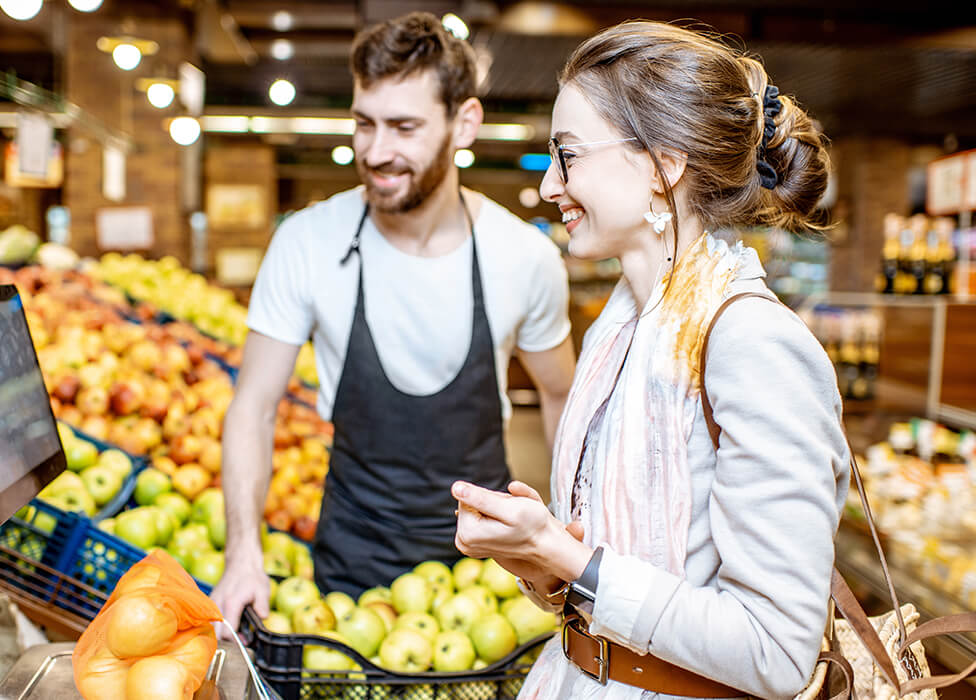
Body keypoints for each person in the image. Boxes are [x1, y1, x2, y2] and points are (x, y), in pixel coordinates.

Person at [452, 21, 850, 699]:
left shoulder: (751, 341)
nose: (550, 186)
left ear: (665, 165)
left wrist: (568, 556)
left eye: (568, 156)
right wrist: (544, 559)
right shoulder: (624, 324)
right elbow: (619, 569)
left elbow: (776, 651)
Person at [213, 11, 577, 630]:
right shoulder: (307, 241)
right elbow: (253, 407)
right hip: (351, 563)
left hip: (492, 575)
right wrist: (242, 548)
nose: (377, 151)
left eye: (404, 127)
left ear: (464, 124)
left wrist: (567, 537)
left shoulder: (525, 257)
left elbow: (561, 394)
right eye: (364, 124)